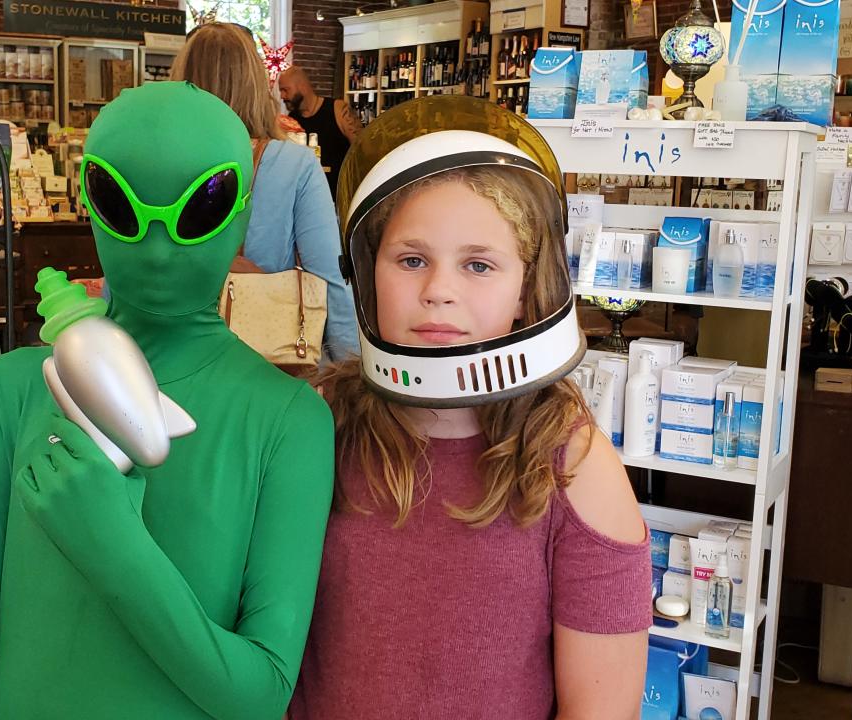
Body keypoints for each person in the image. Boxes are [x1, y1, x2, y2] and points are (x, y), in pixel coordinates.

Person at [0, 82, 335, 719]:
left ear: (244, 209)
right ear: (90, 197)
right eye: (121, 203)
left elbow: (261, 694)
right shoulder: (11, 391)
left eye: (203, 205)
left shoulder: (290, 421)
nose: (158, 243)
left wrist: (113, 545)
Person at [289, 97, 652, 720]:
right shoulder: (315, 427)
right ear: (364, 273)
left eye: (478, 264)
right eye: (411, 260)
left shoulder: (575, 468)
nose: (438, 292)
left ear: (525, 286)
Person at [171, 23, 358, 361]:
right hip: (265, 363)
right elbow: (330, 281)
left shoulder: (154, 160)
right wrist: (350, 372)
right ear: (255, 84)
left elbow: (123, 280)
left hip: (172, 356)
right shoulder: (294, 164)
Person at [278, 66, 361, 199]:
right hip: (308, 198)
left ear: (302, 86)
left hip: (340, 197)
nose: (282, 96)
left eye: (285, 90)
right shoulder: (291, 121)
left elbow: (360, 149)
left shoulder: (338, 110)